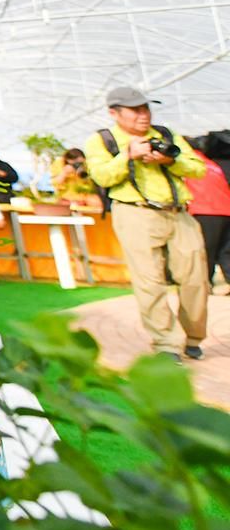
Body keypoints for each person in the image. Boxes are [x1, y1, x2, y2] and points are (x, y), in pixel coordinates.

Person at [84, 87, 208, 359]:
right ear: (114, 113)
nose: (144, 115)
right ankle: (166, 343)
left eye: (146, 108)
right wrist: (128, 155)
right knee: (149, 281)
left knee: (196, 279)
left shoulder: (165, 134)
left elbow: (198, 169)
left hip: (178, 212)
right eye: (136, 110)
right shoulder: (102, 140)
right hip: (135, 213)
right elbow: (102, 177)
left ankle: (194, 336)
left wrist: (170, 160)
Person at [185, 129, 230, 296]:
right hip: (226, 210)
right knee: (226, 251)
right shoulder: (211, 163)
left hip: (205, 211)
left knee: (206, 250)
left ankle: (205, 285)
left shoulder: (187, 162)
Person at [53, 147, 102, 215]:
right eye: (75, 163)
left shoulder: (87, 166)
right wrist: (64, 173)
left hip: (84, 198)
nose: (77, 165)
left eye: (80, 163)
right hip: (66, 199)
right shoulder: (60, 165)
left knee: (96, 202)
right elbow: (55, 184)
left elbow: (91, 187)